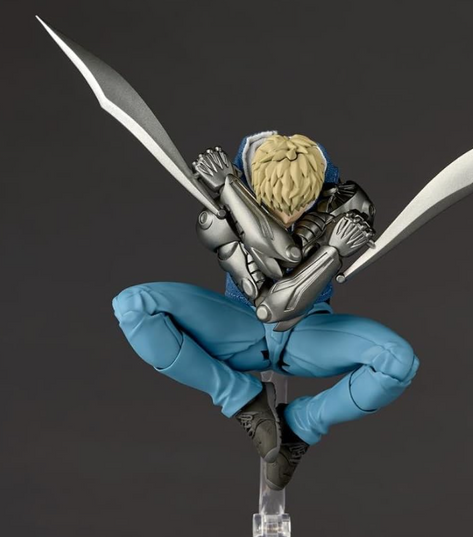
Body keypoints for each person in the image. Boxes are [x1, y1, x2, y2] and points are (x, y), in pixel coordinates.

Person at [112, 132, 419, 490]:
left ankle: (301, 425)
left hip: (307, 332)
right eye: (275, 207)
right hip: (241, 324)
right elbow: (272, 297)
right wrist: (331, 252)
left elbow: (290, 302)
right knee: (134, 306)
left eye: (299, 208)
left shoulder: (345, 203)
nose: (287, 217)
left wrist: (231, 189)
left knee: (398, 362)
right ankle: (242, 398)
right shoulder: (221, 214)